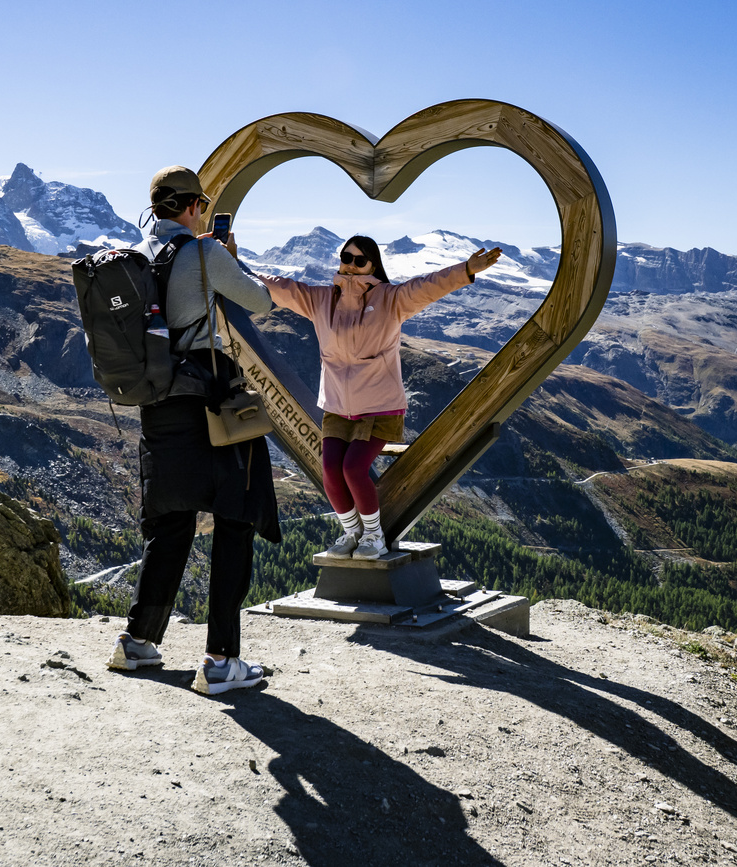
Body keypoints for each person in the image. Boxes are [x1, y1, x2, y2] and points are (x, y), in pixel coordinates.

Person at [106, 166, 280, 696]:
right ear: (193, 207)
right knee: (234, 516)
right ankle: (222, 661)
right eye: (201, 204)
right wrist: (227, 253)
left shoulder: (134, 258)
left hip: (157, 403)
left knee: (171, 521)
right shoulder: (204, 253)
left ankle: (137, 642)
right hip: (208, 400)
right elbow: (260, 302)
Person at [256, 235, 501, 559]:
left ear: (373, 265)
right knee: (330, 469)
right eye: (347, 257)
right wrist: (232, 266)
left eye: (360, 260)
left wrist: (467, 269)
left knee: (354, 468)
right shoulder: (321, 300)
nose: (351, 265)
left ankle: (374, 536)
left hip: (380, 405)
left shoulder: (391, 299)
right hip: (337, 405)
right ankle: (351, 532)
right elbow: (280, 287)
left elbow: (428, 285)